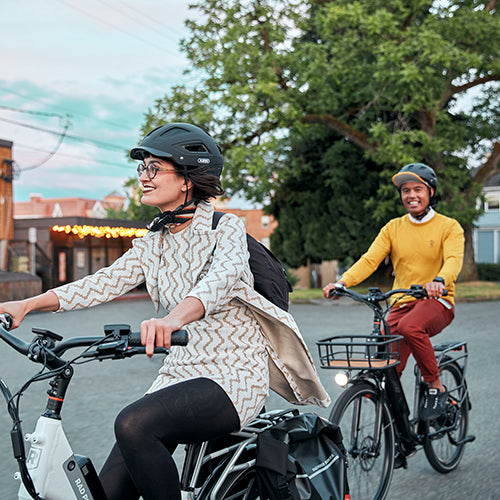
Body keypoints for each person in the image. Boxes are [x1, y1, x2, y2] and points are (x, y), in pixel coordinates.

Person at [0, 122, 330, 500]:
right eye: (142, 168)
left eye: (154, 168)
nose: (144, 176)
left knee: (133, 423)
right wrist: (28, 304)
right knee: (108, 492)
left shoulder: (227, 229)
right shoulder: (152, 242)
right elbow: (101, 283)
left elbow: (219, 281)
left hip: (232, 375)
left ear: (188, 178)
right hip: (178, 374)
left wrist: (173, 319)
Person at [323, 163, 464, 422]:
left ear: (430, 192)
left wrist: (440, 280)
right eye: (406, 190)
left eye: (418, 189)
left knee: (411, 327)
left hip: (437, 300)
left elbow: (454, 259)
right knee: (386, 363)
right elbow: (370, 259)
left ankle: (435, 385)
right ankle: (400, 434)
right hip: (401, 303)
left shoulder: (449, 226)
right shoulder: (393, 228)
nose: (411, 195)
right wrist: (343, 282)